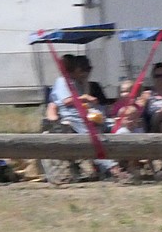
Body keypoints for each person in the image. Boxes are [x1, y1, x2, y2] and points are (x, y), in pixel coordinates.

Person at [48, 54, 127, 182]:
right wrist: (85, 97)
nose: (85, 73)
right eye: (81, 69)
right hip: (74, 117)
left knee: (117, 126)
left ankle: (125, 163)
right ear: (74, 69)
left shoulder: (77, 82)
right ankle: (114, 169)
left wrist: (84, 84)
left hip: (87, 115)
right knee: (93, 139)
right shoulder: (62, 81)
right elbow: (67, 101)